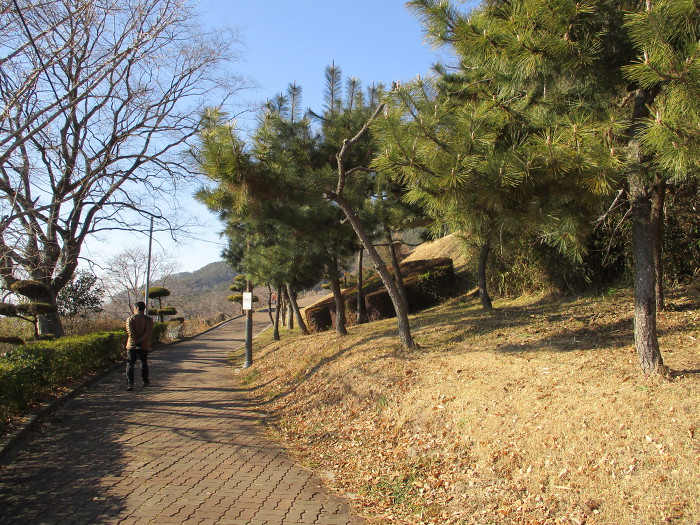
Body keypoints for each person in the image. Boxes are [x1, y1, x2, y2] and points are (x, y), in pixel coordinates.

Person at [125, 301, 154, 391]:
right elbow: (148, 332)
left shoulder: (130, 319)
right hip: (144, 344)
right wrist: (141, 341)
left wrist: (136, 341)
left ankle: (130, 384)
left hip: (132, 345)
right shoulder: (148, 319)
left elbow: (130, 332)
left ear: (136, 308)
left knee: (130, 364)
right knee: (144, 362)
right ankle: (145, 380)